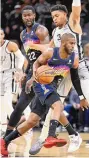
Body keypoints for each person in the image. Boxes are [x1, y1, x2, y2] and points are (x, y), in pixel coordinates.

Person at [1, 33, 79, 156]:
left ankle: (5, 141)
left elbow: (75, 78)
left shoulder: (73, 58)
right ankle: (51, 136)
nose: (73, 46)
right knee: (58, 106)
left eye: (74, 43)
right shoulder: (51, 53)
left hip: (52, 87)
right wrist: (33, 77)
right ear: (63, 43)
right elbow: (36, 63)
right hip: (41, 84)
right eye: (71, 43)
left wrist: (81, 96)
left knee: (32, 121)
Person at [27, 0, 89, 154]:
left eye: (57, 15)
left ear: (65, 15)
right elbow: (49, 49)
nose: (54, 19)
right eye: (52, 16)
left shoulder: (73, 25)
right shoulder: (55, 32)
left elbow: (76, 9)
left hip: (80, 67)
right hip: (65, 70)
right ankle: (46, 138)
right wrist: (33, 46)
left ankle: (73, 134)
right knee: (56, 106)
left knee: (86, 101)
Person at [0, 5, 50, 156]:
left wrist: (33, 45)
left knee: (51, 108)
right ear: (22, 17)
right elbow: (28, 56)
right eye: (25, 15)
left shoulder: (40, 30)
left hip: (43, 71)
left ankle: (55, 135)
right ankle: (5, 139)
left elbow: (48, 49)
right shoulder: (23, 34)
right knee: (19, 107)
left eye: (30, 15)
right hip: (30, 73)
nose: (27, 17)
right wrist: (22, 71)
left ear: (34, 15)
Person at [0, 28, 25, 134]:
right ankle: (3, 128)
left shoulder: (10, 45)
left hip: (11, 74)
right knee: (1, 102)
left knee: (6, 100)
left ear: (3, 35)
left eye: (1, 34)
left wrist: (19, 70)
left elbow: (22, 58)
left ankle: (18, 122)